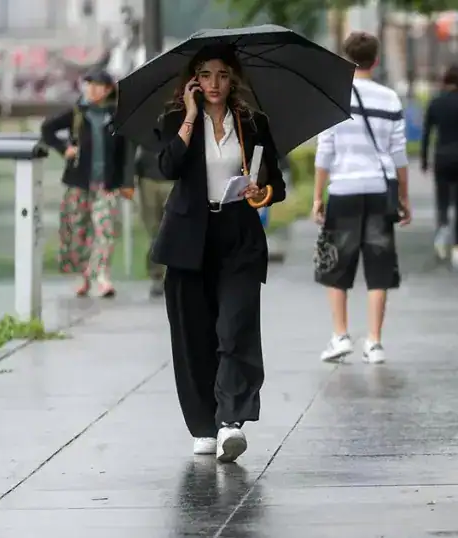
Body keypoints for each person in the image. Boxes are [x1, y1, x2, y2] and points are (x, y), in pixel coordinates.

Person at [151, 45, 287, 462]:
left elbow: (274, 184)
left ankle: (231, 420)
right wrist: (190, 116)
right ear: (193, 80)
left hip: (238, 235)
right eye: (206, 75)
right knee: (193, 336)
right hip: (188, 239)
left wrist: (259, 191)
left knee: (235, 327)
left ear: (234, 80)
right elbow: (168, 168)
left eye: (222, 75)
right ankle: (203, 425)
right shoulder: (174, 120)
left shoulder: (252, 123)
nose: (214, 84)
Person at [312, 32, 410, 365]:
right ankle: (375, 342)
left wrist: (317, 197)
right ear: (376, 59)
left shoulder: (333, 99)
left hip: (343, 191)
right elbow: (399, 156)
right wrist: (404, 198)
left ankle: (340, 336)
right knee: (379, 266)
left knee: (335, 264)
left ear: (346, 59)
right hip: (380, 193)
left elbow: (325, 151)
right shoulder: (390, 99)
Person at [41, 68, 131, 298]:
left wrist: (127, 182)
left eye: (97, 85)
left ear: (109, 89)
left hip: (107, 185)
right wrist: (65, 149)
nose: (92, 90)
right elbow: (47, 129)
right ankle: (84, 276)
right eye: (89, 85)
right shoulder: (77, 113)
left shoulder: (118, 115)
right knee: (77, 231)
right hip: (79, 182)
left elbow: (126, 152)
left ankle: (101, 275)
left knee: (106, 230)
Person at [421, 64, 458, 269]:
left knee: (442, 199)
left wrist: (424, 160)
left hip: (442, 155)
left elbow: (427, 133)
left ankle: (442, 230)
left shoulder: (435, 103)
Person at [134, 146, 172, 298]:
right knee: (154, 231)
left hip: (172, 175)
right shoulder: (141, 123)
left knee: (172, 230)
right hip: (148, 176)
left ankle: (173, 274)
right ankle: (156, 275)